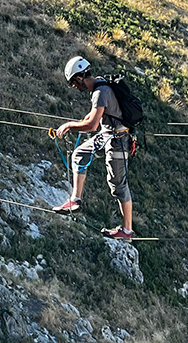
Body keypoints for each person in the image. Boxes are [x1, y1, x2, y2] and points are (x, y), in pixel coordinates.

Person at [52, 56, 134, 240]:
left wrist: (69, 126)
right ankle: (75, 200)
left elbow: (92, 125)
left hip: (118, 140)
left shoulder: (100, 91)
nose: (74, 87)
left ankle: (127, 231)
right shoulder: (99, 85)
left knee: (118, 185)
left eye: (74, 82)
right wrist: (79, 122)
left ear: (80, 77)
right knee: (79, 154)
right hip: (107, 135)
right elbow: (92, 116)